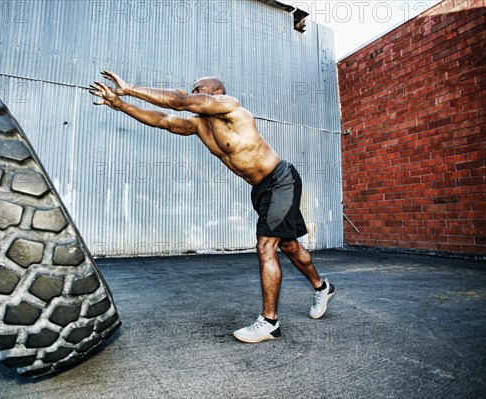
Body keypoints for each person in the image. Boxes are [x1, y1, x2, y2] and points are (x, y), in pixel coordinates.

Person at [89, 71, 335, 343]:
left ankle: (269, 322)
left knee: (266, 245)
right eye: (192, 89)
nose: (193, 93)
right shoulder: (200, 125)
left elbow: (180, 101)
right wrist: (122, 105)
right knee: (288, 246)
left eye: (199, 89)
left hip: (280, 179)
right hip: (261, 189)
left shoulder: (230, 106)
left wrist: (130, 89)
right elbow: (163, 120)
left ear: (217, 93)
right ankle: (322, 287)